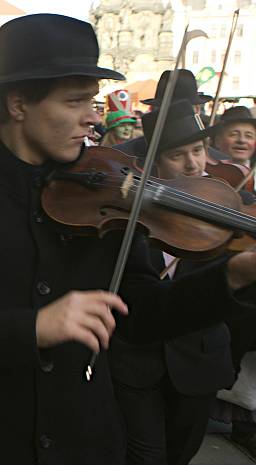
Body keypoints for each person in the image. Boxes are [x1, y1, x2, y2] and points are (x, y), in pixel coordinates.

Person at [0, 14, 256, 465]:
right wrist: (35, 327)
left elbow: (141, 315)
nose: (91, 118)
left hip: (88, 441)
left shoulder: (106, 188)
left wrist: (230, 278)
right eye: (76, 101)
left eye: (93, 101)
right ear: (19, 103)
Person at [109, 99, 237, 465]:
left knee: (180, 455)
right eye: (177, 155)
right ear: (155, 163)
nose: (192, 163)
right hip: (136, 365)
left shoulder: (229, 207)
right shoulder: (129, 215)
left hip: (198, 363)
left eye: (197, 151)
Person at [114, 69, 228, 162]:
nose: (174, 116)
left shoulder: (219, 162)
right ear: (156, 111)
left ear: (197, 110)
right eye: (168, 109)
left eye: (182, 110)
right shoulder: (121, 156)